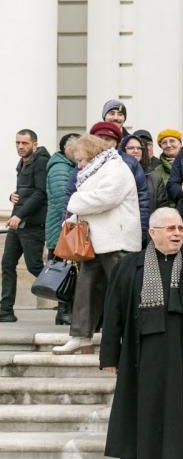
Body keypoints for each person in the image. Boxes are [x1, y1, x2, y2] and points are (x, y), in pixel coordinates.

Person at [100, 208, 183, 459]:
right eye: (170, 228)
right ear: (152, 232)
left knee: (175, 424)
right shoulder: (130, 267)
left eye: (181, 228)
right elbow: (113, 313)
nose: (176, 233)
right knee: (141, 423)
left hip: (180, 362)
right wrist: (110, 355)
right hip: (139, 361)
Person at [55, 135, 142, 355]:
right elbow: (91, 203)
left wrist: (75, 201)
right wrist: (72, 221)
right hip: (94, 242)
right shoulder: (93, 171)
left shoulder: (115, 167)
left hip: (117, 240)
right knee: (86, 290)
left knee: (123, 293)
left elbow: (107, 197)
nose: (79, 164)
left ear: (93, 153)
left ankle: (132, 339)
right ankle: (80, 337)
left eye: (82, 159)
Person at [1, 129, 49, 322]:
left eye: (25, 143)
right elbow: (26, 191)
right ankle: (5, 310)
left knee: (35, 266)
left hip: (32, 225)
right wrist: (12, 196)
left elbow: (40, 193)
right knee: (7, 264)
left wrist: (19, 215)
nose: (20, 147)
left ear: (34, 145)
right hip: (18, 223)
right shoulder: (22, 162)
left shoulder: (41, 162)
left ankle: (69, 301)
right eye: (18, 143)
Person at [45, 133, 79, 324]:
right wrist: (68, 228)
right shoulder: (60, 168)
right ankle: (64, 312)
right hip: (61, 228)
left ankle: (64, 312)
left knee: (64, 269)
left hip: (62, 227)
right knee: (62, 270)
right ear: (68, 149)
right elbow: (62, 201)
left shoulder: (67, 166)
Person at [120, 134, 169, 211]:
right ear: (122, 150)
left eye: (139, 148)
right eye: (131, 148)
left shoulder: (155, 179)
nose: (136, 151)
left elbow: (163, 207)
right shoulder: (116, 175)